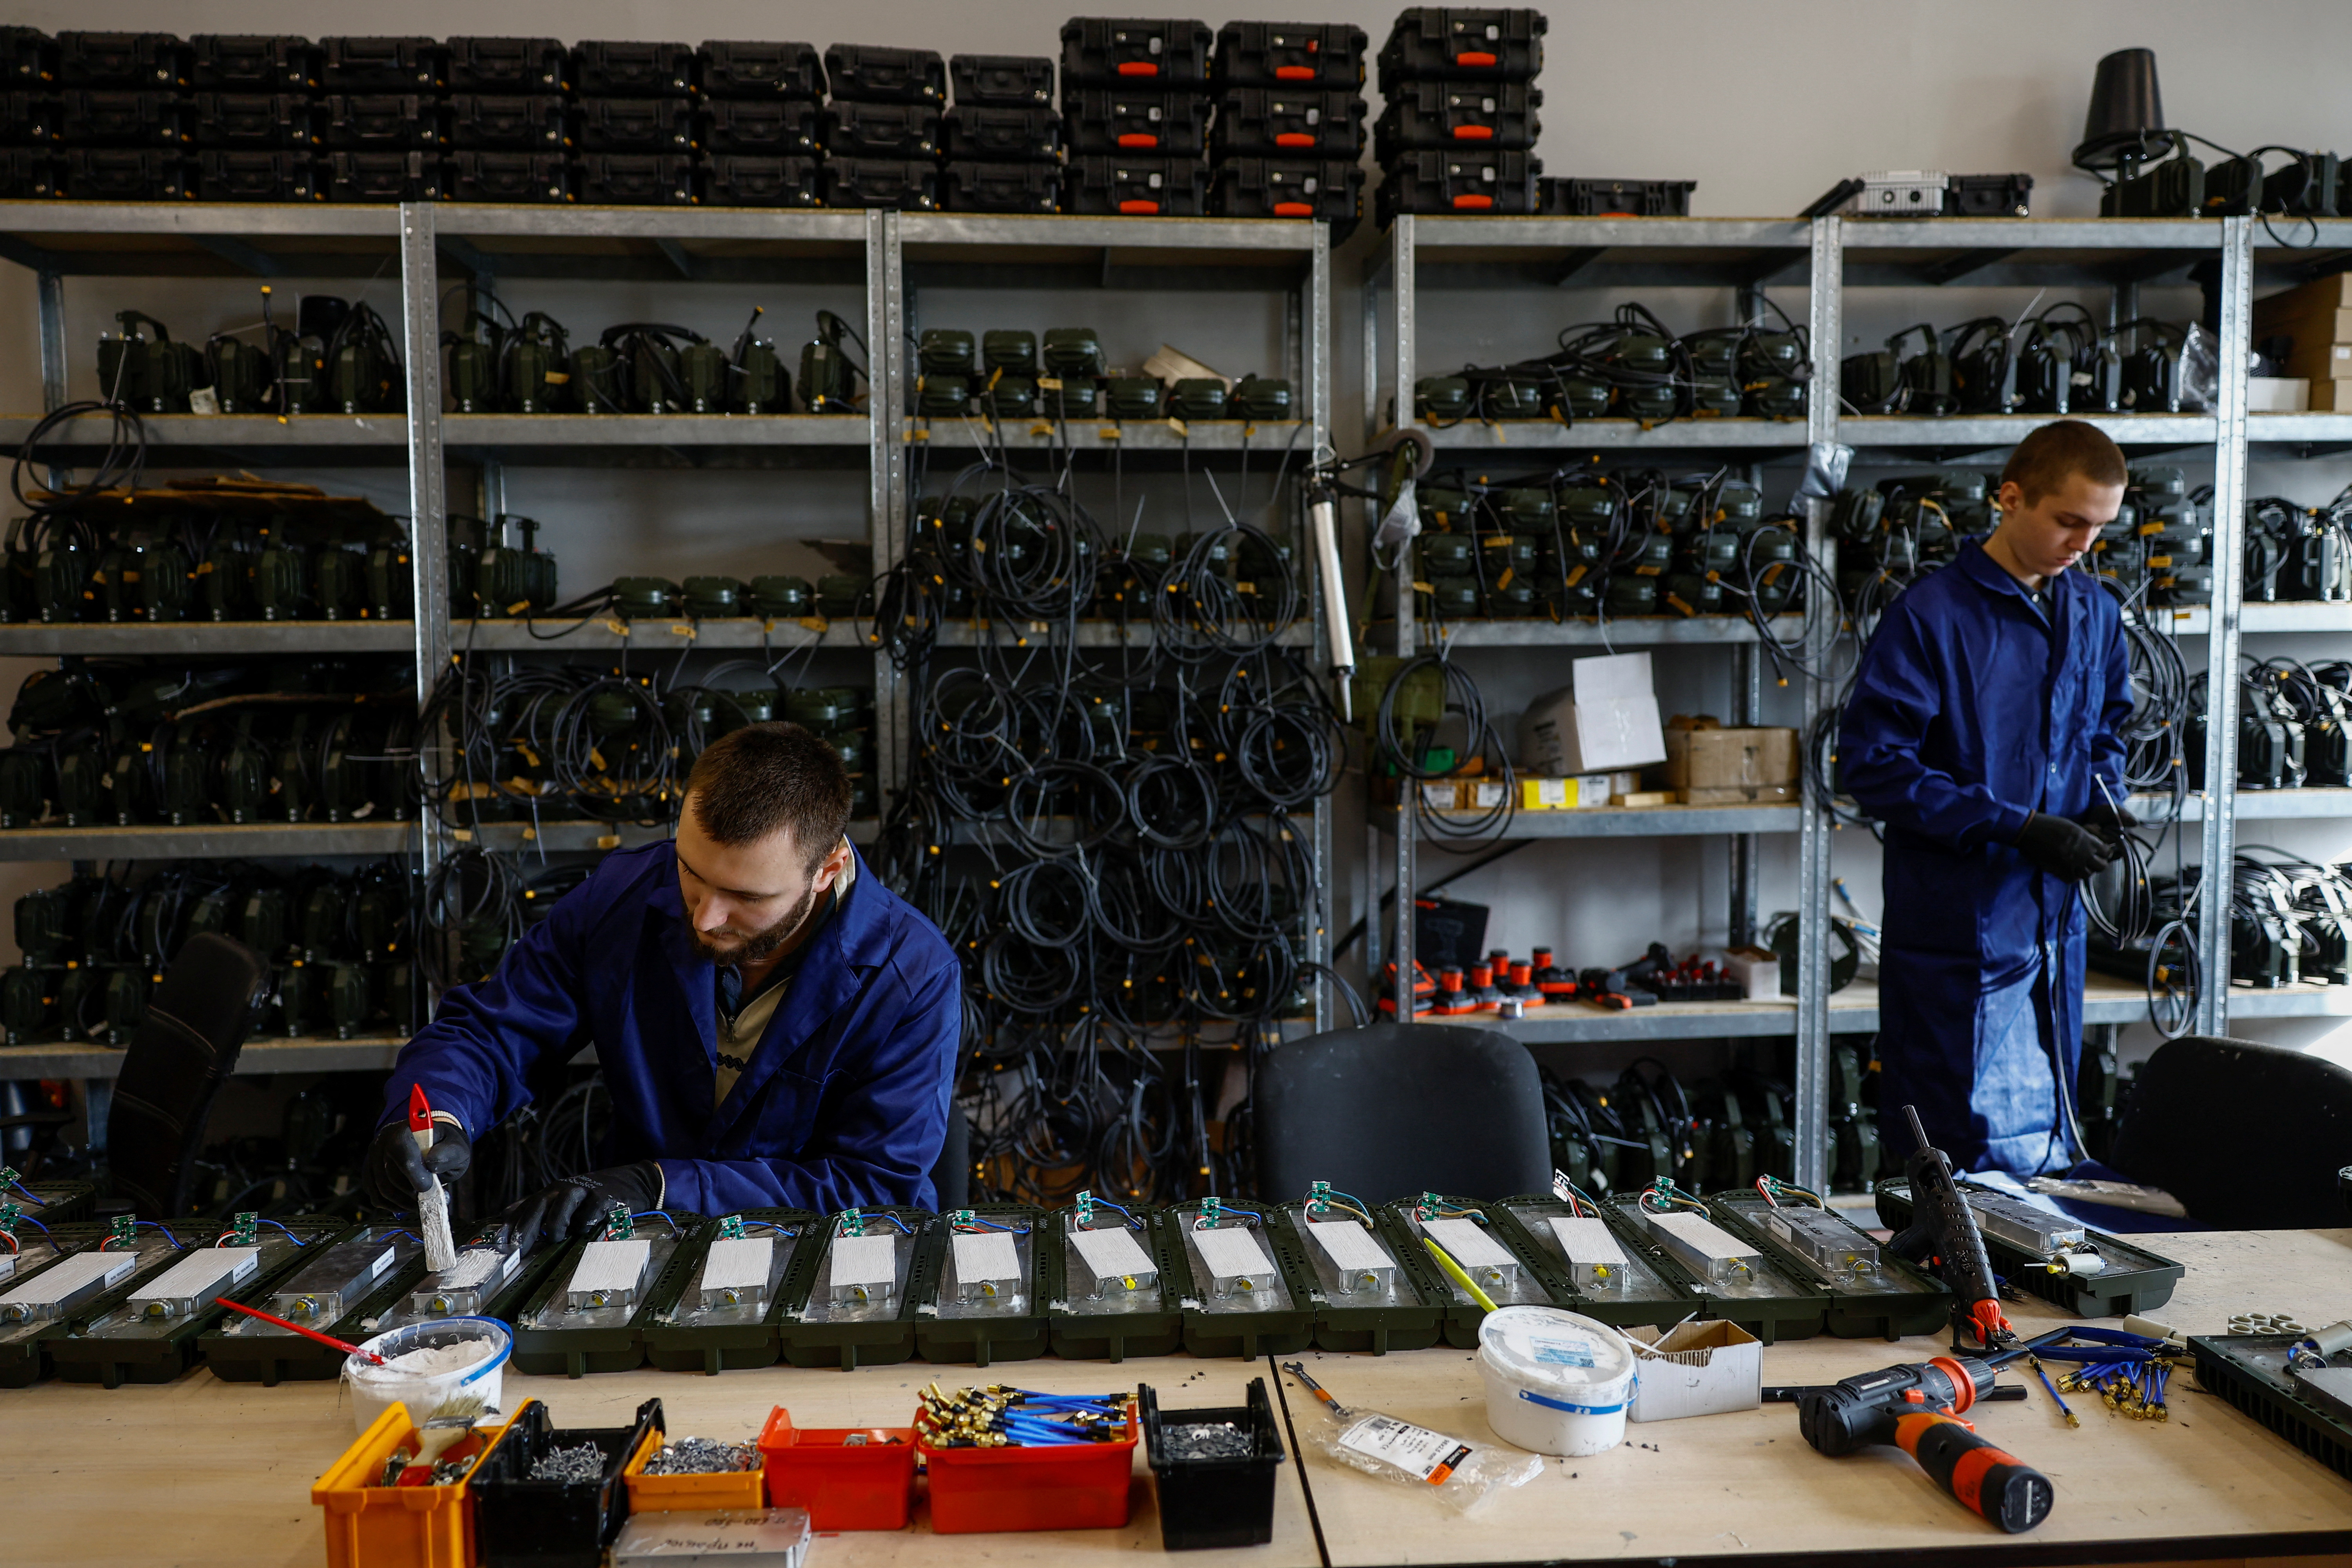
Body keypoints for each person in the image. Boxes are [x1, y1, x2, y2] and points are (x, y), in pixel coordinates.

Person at [362, 722, 960, 1249]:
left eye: (746, 898)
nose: (703, 917)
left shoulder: (912, 976)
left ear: (825, 872)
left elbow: (875, 1189)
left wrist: (664, 1184)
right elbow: (492, 1032)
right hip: (639, 1248)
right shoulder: (621, 900)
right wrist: (437, 1112)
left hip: (824, 1268)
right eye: (692, 873)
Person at [1840, 420, 2136, 1175]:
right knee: (1950, 1161)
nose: (2083, 544)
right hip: (1956, 935)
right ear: (2011, 498)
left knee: (2049, 1149)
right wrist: (2017, 827)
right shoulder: (1930, 617)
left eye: (2099, 527)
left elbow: (2107, 730)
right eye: (2068, 521)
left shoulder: (2095, 613)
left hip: (2053, 930)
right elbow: (1875, 767)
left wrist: (2105, 798)